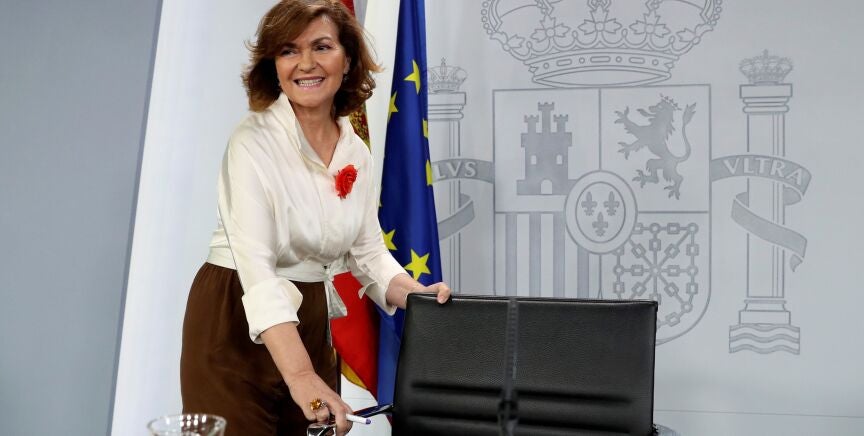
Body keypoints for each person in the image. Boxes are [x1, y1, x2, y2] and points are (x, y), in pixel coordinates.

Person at [179, 1, 451, 435]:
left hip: (310, 316)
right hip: (234, 312)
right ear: (274, 66)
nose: (305, 63)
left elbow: (368, 253)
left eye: (321, 47)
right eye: (289, 50)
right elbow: (258, 272)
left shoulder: (355, 150)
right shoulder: (251, 142)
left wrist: (417, 297)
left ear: (348, 60)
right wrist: (302, 375)